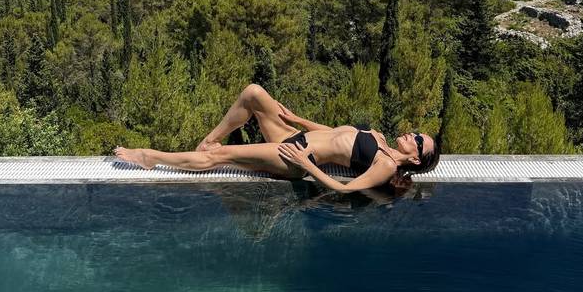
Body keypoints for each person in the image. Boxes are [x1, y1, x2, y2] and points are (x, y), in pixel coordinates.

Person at [114, 83, 440, 192]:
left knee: (223, 156)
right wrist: (297, 118)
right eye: (417, 133)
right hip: (297, 135)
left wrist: (306, 165)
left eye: (419, 141)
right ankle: (206, 141)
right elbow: (336, 134)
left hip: (297, 156)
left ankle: (150, 157)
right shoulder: (379, 137)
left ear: (415, 158)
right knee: (254, 93)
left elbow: (343, 189)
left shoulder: (384, 165)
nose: (413, 135)